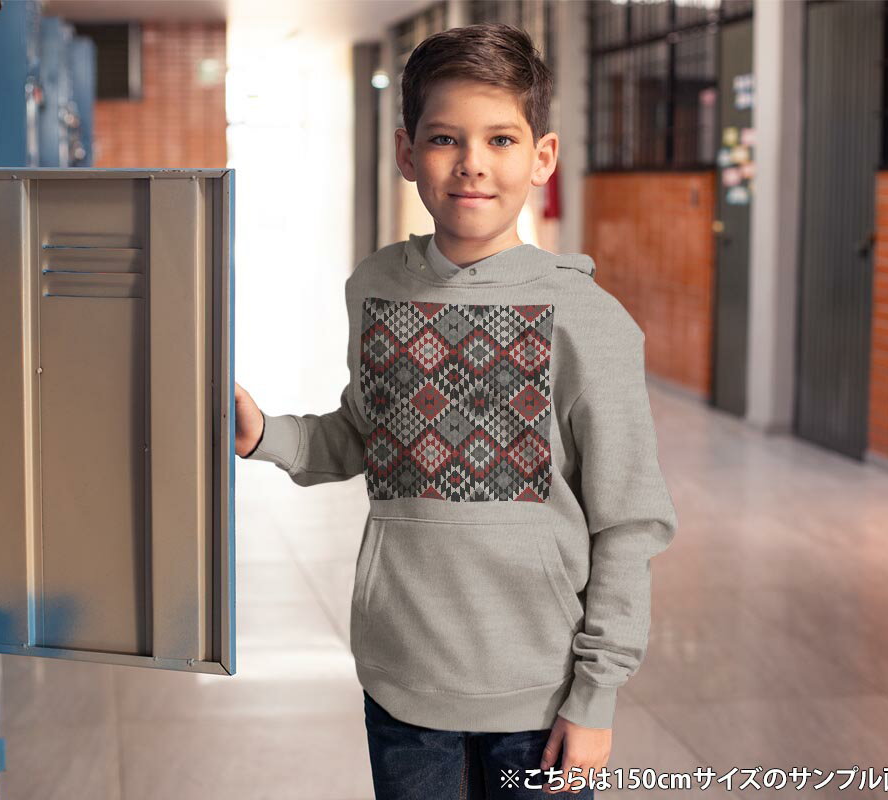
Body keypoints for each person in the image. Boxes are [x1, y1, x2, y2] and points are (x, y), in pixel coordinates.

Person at [234, 22, 679, 799]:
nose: (472, 162)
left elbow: (629, 521)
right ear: (407, 153)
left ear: (542, 157)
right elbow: (366, 433)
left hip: (540, 692)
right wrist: (267, 434)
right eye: (445, 138)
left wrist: (597, 692)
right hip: (403, 678)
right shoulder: (377, 286)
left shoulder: (589, 319)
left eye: (501, 139)